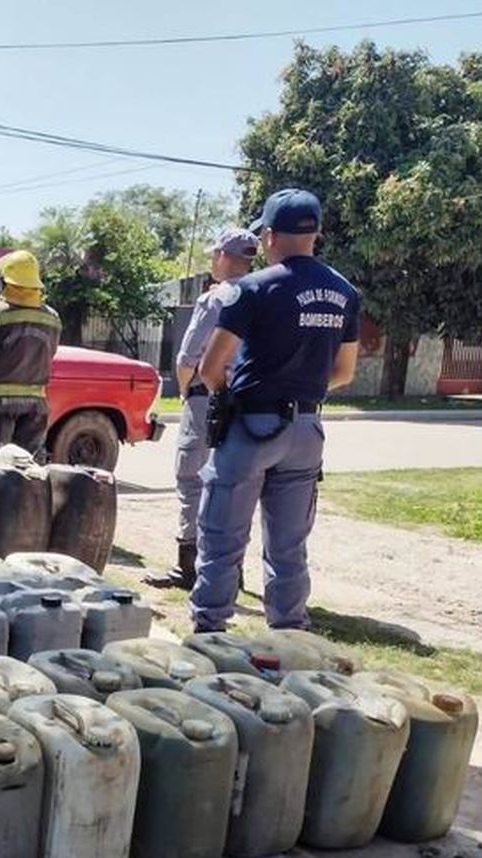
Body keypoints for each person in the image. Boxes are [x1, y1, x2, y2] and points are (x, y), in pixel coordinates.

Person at [190, 189, 361, 633]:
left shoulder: (251, 289)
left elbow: (210, 367)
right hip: (306, 428)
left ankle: (210, 633)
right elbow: (344, 373)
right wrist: (298, 388)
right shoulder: (344, 293)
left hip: (252, 425)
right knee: (288, 546)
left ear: (268, 235)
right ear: (316, 234)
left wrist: (237, 397)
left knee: (222, 537)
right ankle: (289, 639)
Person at [145, 227, 260, 590]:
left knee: (191, 478)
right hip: (246, 400)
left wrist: (183, 390)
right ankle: (230, 567)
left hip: (205, 396)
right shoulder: (262, 295)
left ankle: (189, 567)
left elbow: (187, 358)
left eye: (215, 255)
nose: (212, 260)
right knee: (232, 482)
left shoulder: (215, 299)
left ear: (226, 257)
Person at [0, 249, 62, 456]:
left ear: (6, 283)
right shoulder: (52, 318)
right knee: (28, 471)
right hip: (36, 406)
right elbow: (50, 353)